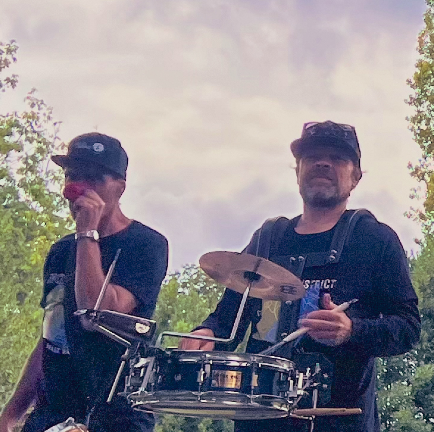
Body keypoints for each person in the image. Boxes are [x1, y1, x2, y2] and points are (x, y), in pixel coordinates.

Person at [179, 121, 421, 432]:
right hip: (259, 419)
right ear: (297, 171)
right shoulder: (267, 238)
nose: (323, 163)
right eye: (312, 157)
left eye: (337, 158)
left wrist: (352, 330)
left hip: (340, 420)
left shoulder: (375, 238)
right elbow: (228, 317)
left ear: (356, 176)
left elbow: (409, 327)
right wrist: (207, 333)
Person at [0, 133, 171, 432]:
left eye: (92, 178)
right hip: (53, 414)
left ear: (119, 188)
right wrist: (11, 414)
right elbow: (51, 336)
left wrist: (87, 234)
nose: (78, 189)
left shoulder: (146, 244)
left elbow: (97, 311)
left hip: (116, 416)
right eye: (71, 177)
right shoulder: (61, 252)